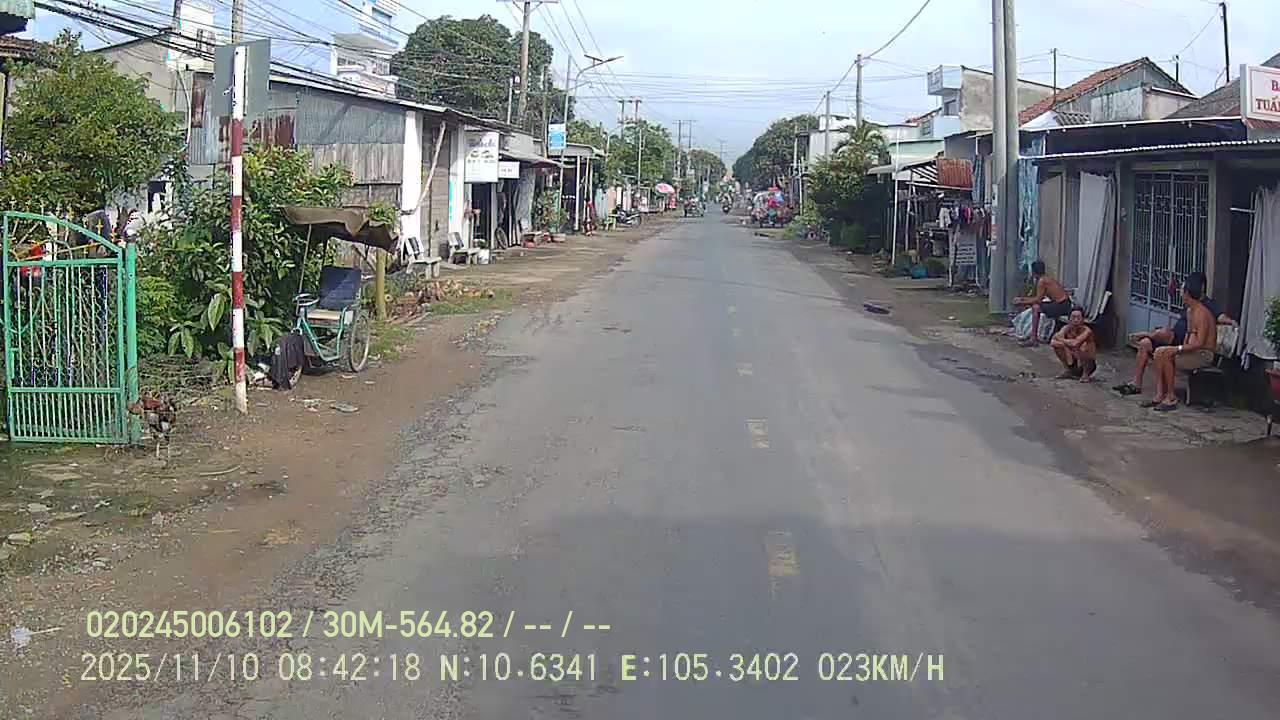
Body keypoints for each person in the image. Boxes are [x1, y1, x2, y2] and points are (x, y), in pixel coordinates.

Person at [1113, 271, 1234, 396]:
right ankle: (1137, 383)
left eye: (1184, 290)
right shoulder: (1190, 307)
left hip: (1189, 346)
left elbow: (1207, 332)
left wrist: (1232, 323)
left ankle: (1167, 394)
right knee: (1146, 343)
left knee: (1163, 350)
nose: (1181, 294)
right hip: (1175, 337)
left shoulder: (1206, 308)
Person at [1146, 273, 1217, 411]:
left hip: (1203, 354)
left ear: (1188, 293)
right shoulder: (1190, 311)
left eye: (1182, 290)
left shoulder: (1202, 314)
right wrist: (1179, 348)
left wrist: (1177, 349)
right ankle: (1160, 393)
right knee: (1159, 352)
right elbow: (1189, 335)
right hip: (1191, 351)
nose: (1180, 293)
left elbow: (1200, 343)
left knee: (1168, 355)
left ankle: (1171, 396)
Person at [1012, 260, 1072, 347]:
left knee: (1036, 307)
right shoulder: (1047, 278)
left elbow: (1038, 300)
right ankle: (1033, 337)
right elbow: (1039, 297)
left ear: (1034, 272)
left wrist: (1021, 301)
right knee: (1037, 306)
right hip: (1064, 304)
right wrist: (1022, 299)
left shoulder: (1042, 281)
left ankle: (1033, 338)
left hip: (1062, 305)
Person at [1050, 307, 1097, 382]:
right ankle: (1068, 370)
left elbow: (1075, 343)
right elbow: (1053, 342)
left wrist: (1063, 341)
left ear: (1083, 319)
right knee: (1058, 346)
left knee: (1083, 346)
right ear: (1069, 319)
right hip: (1073, 359)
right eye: (1073, 317)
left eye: (1078, 318)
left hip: (1088, 364)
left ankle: (1085, 374)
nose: (1076, 320)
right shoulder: (1066, 328)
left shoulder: (1087, 331)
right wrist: (1065, 346)